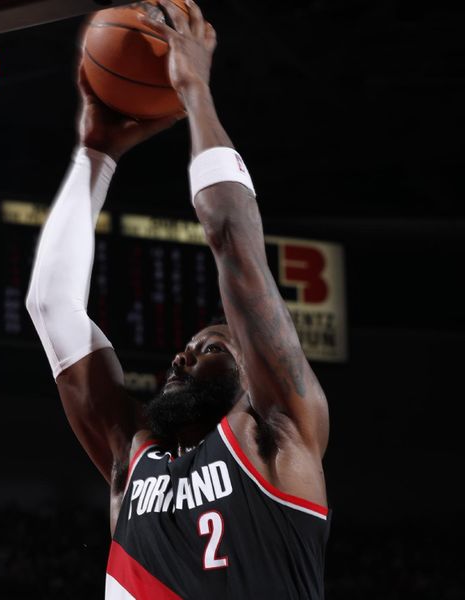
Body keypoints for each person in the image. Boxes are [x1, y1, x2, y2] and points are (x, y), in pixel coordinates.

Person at [25, 1, 330, 597]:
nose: (180, 358)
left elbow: (232, 243)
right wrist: (95, 155)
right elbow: (51, 309)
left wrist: (194, 91)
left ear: (253, 372)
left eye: (210, 347)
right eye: (191, 348)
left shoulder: (281, 434)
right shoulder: (131, 458)